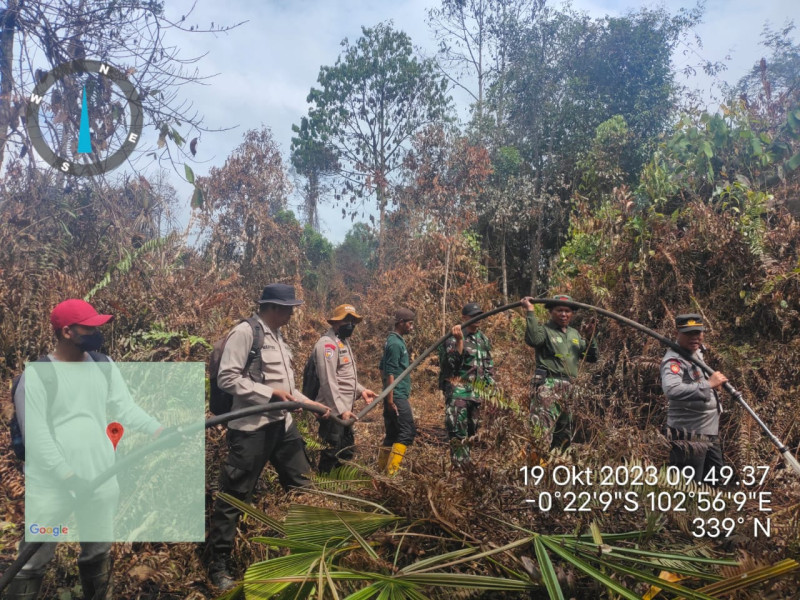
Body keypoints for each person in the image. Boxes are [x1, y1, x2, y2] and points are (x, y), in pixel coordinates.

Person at [7, 299, 164, 600]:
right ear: (67, 331)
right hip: (52, 489)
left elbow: (125, 408)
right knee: (34, 558)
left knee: (98, 552)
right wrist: (68, 478)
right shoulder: (38, 376)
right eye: (88, 327)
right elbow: (37, 438)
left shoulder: (103, 366)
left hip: (101, 478)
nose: (96, 332)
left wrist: (158, 430)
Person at [207, 284, 331, 590]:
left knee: (303, 486)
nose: (292, 313)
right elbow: (227, 378)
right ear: (274, 307)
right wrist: (267, 394)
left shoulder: (278, 338)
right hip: (251, 428)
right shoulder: (246, 333)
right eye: (289, 308)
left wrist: (312, 405)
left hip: (283, 425)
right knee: (235, 495)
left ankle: (311, 551)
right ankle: (218, 565)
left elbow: (286, 388)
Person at [521, 294, 598, 451]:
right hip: (548, 386)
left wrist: (590, 337)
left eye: (567, 311)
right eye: (559, 310)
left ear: (572, 313)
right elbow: (533, 340)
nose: (564, 314)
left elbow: (592, 357)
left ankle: (558, 470)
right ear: (551, 311)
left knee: (564, 435)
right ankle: (535, 472)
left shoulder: (574, 334)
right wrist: (530, 311)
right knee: (540, 433)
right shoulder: (545, 330)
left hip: (570, 388)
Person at [660, 314, 728, 484]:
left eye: (698, 332)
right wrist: (708, 385)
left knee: (715, 479)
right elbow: (672, 389)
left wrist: (712, 386)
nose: (695, 337)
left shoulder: (695, 352)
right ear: (678, 333)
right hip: (688, 434)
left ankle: (709, 510)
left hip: (708, 431)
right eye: (689, 334)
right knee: (689, 486)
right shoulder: (673, 360)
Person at [311, 304, 377, 473]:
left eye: (353, 321)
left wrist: (361, 390)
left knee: (346, 449)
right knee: (332, 450)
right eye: (347, 320)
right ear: (336, 322)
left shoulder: (343, 342)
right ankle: (325, 487)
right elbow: (328, 381)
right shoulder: (328, 345)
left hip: (346, 409)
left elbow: (346, 375)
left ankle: (341, 485)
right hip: (333, 411)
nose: (351, 325)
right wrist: (340, 410)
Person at [439, 303, 495, 466]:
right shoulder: (453, 337)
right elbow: (451, 366)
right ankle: (459, 471)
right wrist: (459, 342)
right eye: (473, 316)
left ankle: (466, 466)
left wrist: (490, 386)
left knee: (472, 432)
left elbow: (487, 363)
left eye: (479, 315)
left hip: (476, 394)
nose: (478, 319)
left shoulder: (482, 338)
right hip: (458, 393)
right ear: (464, 318)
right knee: (458, 432)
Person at [377, 308, 416, 475]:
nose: (412, 327)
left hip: (394, 395)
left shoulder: (394, 341)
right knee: (407, 432)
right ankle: (391, 475)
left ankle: (380, 472)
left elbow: (381, 368)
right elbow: (389, 372)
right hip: (397, 396)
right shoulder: (394, 343)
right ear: (401, 323)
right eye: (410, 323)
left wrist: (386, 395)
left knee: (392, 434)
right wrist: (391, 400)